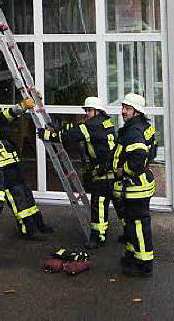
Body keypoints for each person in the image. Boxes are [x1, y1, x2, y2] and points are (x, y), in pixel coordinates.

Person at [0, 86, 53, 240]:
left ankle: (38, 223)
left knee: (25, 191)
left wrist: (32, 103)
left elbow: (7, 117)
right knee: (16, 195)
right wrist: (21, 106)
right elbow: (0, 119)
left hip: (10, 159)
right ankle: (28, 230)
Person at [39, 96, 116, 247]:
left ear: (97, 111)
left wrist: (47, 135)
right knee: (119, 203)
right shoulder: (105, 121)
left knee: (99, 203)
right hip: (111, 167)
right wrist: (59, 126)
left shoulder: (91, 126)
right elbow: (77, 129)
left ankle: (97, 238)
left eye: (89, 110)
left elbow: (68, 136)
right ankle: (127, 233)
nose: (86, 113)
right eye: (86, 110)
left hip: (103, 170)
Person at [112, 93, 157, 277]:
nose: (123, 111)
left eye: (128, 109)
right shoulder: (145, 127)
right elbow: (151, 152)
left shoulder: (133, 131)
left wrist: (124, 171)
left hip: (136, 186)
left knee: (138, 225)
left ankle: (143, 264)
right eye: (123, 107)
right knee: (132, 223)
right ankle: (132, 254)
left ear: (137, 112)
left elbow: (138, 158)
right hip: (141, 183)